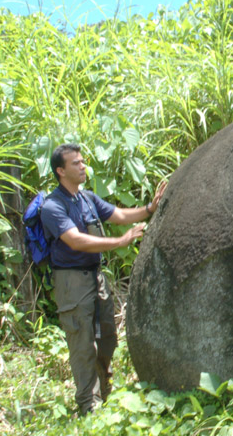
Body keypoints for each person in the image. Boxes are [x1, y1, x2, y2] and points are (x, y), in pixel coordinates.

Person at [40, 142, 166, 415]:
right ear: (60, 171)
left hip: (96, 278)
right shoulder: (52, 206)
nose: (83, 166)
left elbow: (118, 214)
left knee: (106, 337)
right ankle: (89, 406)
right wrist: (121, 241)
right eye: (76, 163)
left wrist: (148, 208)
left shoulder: (86, 198)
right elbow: (75, 241)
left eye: (83, 161)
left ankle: (105, 395)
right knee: (82, 344)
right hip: (71, 282)